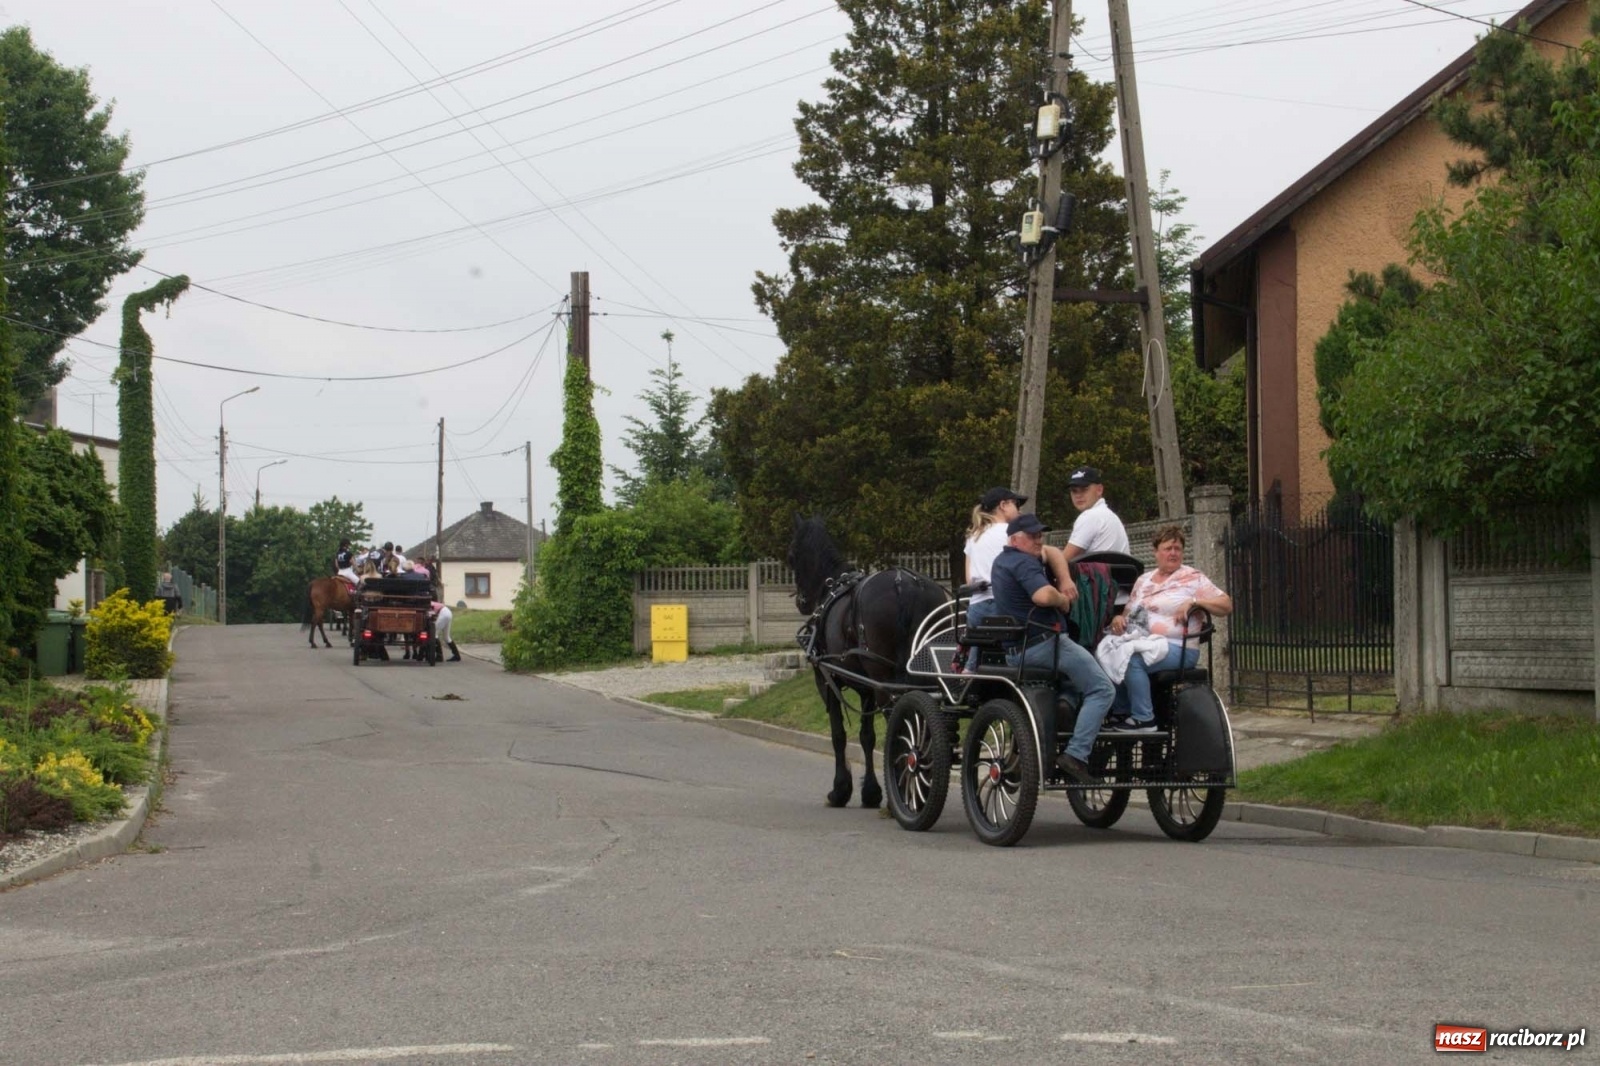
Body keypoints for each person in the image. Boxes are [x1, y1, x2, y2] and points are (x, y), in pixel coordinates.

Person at [988, 512, 1116, 785]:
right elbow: (1043, 595)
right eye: (1032, 536)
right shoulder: (1024, 563)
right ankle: (1076, 754)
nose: (1038, 540)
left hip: (1017, 650)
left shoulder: (1003, 561)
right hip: (1045, 644)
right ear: (1014, 539)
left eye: (1039, 535)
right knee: (1103, 689)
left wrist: (1065, 577)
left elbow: (1053, 552)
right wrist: (1063, 599)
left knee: (1079, 672)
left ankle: (1065, 707)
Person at [1106, 524, 1233, 729]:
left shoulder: (1193, 578)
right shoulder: (1143, 580)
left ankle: (1143, 718)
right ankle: (1121, 712)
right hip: (1142, 641)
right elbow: (1128, 613)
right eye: (1168, 548)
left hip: (1178, 647)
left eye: (1178, 549)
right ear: (1155, 551)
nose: (1173, 553)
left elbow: (1226, 605)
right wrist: (1118, 620)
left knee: (1131, 660)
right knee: (1108, 653)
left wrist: (1195, 602)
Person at [962, 487, 1075, 670]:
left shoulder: (973, 536)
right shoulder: (1010, 533)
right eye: (1016, 504)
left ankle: (969, 669)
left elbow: (969, 581)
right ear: (1003, 505)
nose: (1020, 510)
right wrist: (1064, 580)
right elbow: (1049, 553)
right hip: (1002, 610)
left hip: (976, 611)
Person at [1062, 466, 1130, 561]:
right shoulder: (1111, 517)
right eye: (1074, 491)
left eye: (1084, 489)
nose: (1078, 495)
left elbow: (1063, 561)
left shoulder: (1090, 516)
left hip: (1098, 575)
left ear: (1099, 490)